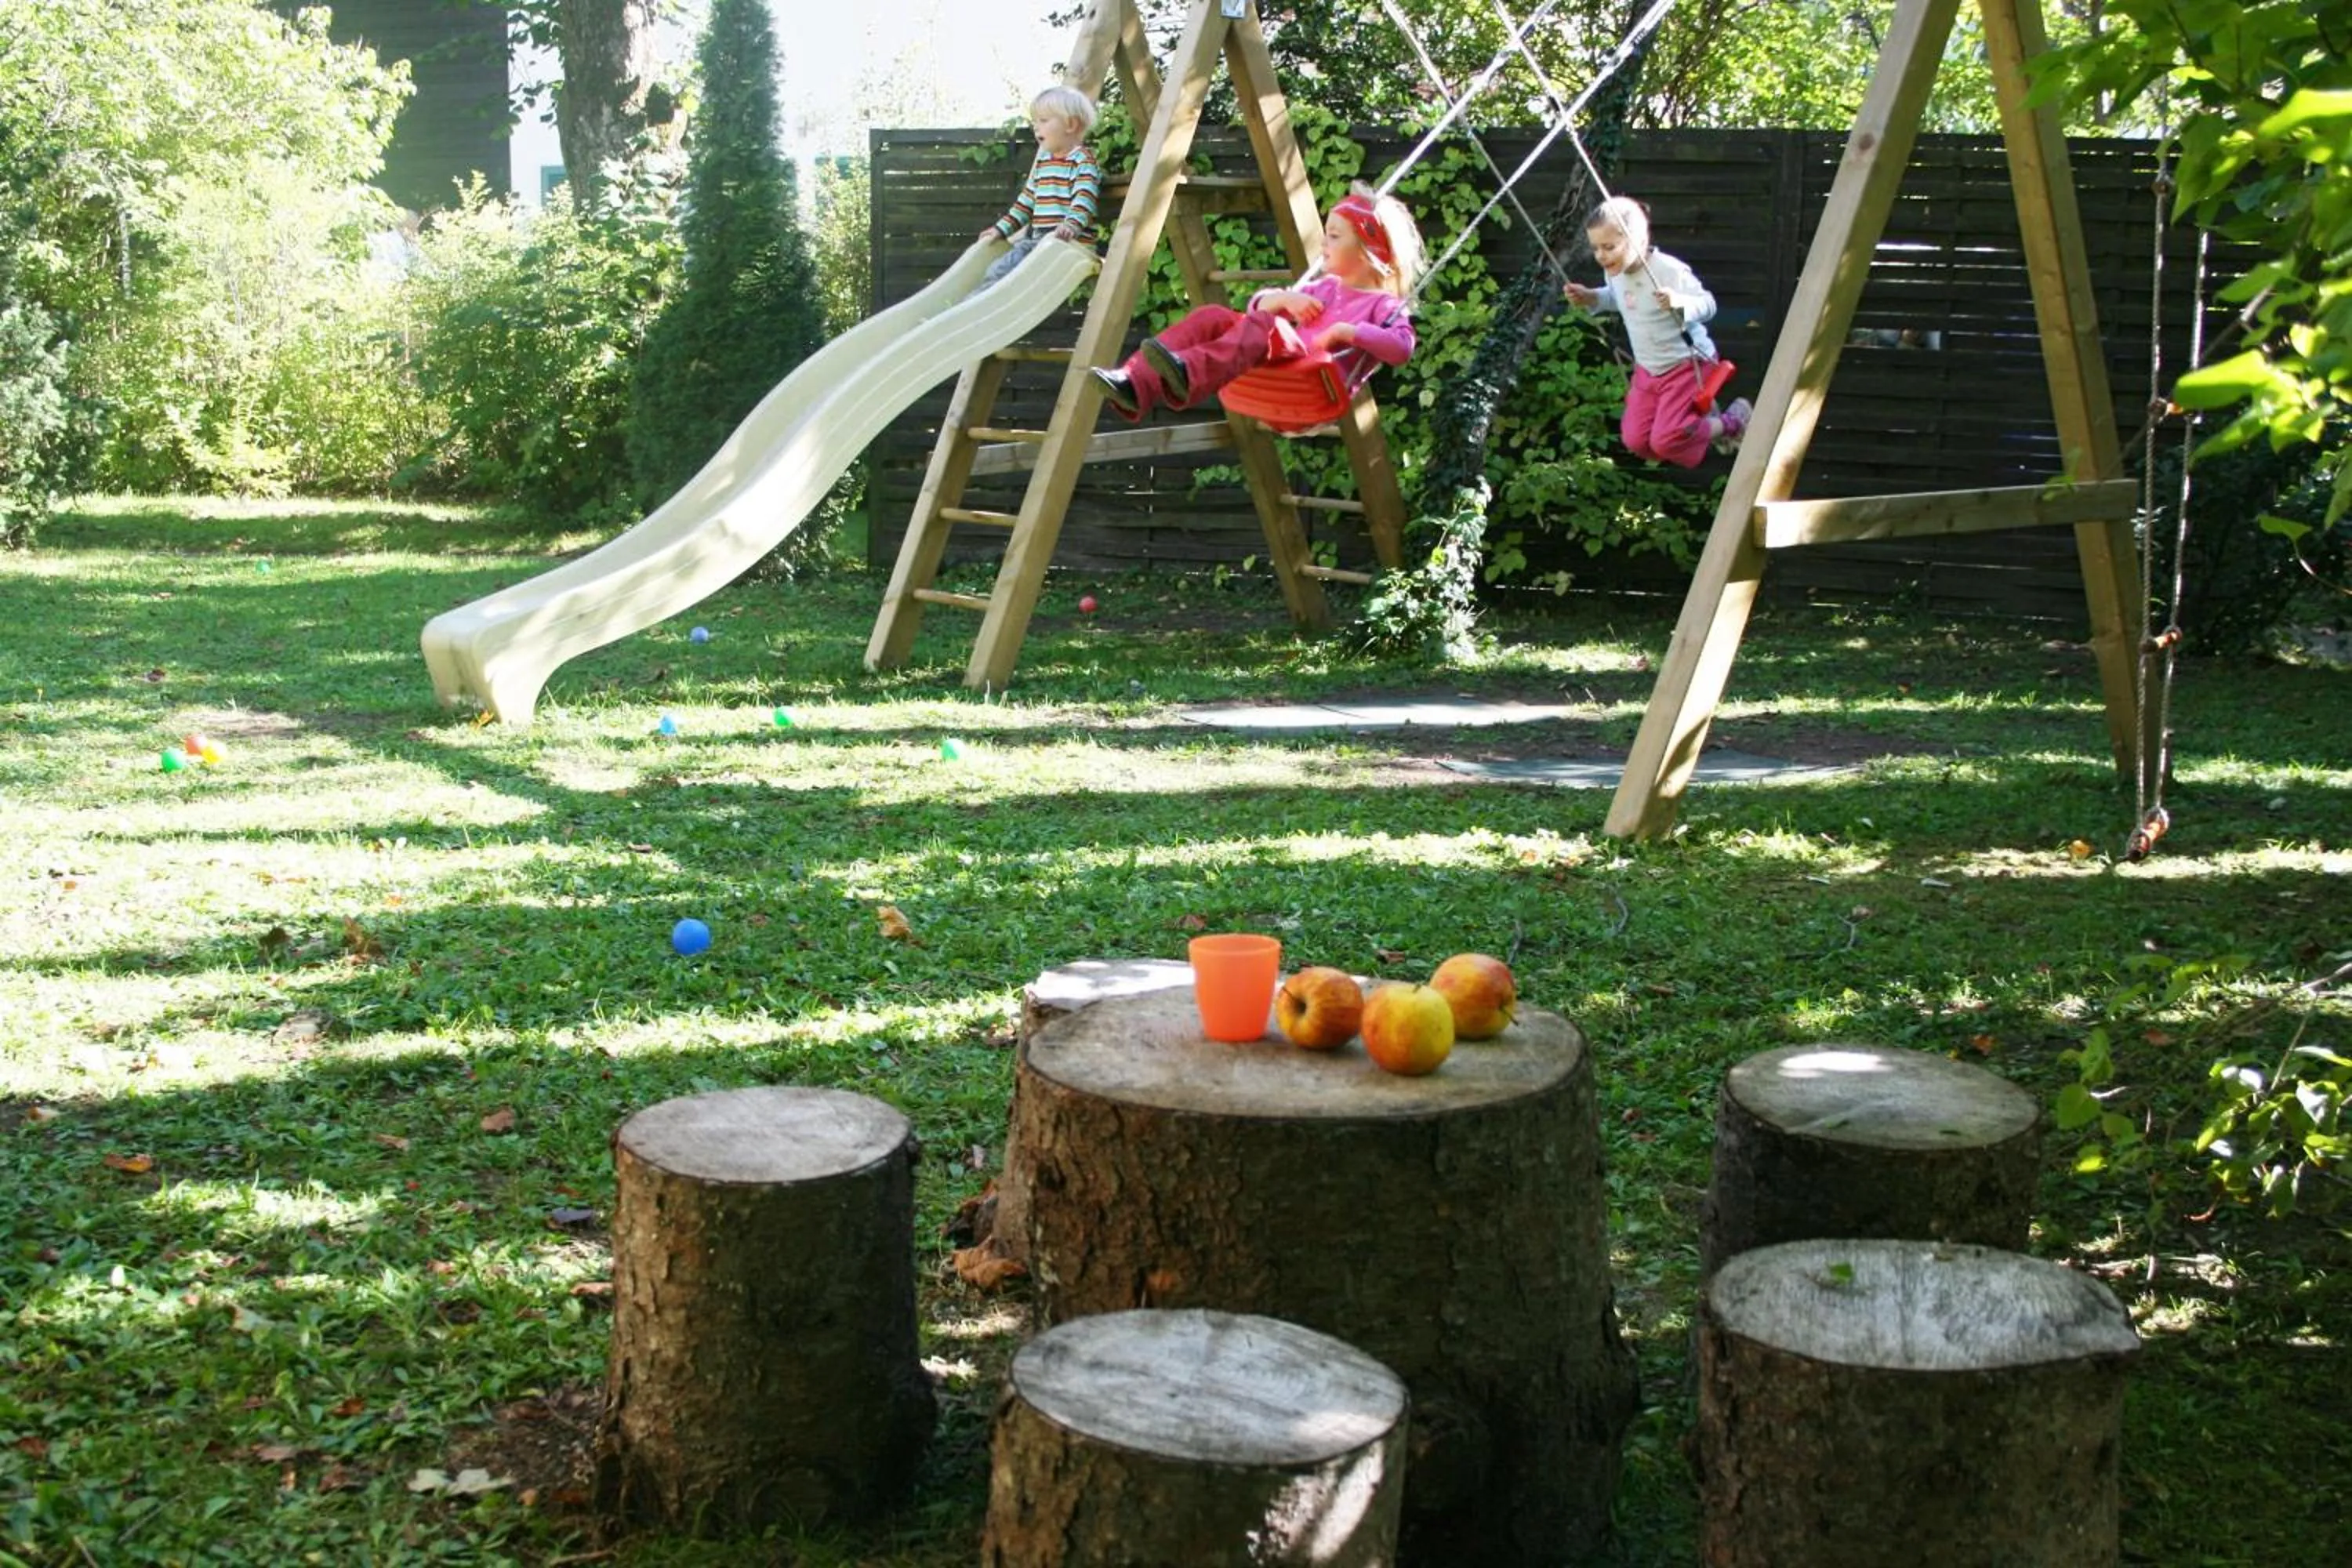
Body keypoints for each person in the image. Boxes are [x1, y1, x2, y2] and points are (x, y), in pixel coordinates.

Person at [1091, 184, 1424, 421]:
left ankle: (1189, 371)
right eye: (1325, 231)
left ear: (1371, 252)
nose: (1323, 241)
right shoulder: (1324, 287)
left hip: (1310, 379)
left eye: (1335, 236)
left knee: (1269, 326)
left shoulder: (1383, 304)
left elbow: (1401, 348)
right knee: (1214, 316)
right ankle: (1134, 383)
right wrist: (1281, 298)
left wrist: (1347, 332)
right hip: (1276, 364)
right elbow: (1255, 310)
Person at [1560, 194, 1751, 466]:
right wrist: (1592, 297)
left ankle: (1732, 423)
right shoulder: (1615, 273)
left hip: (1687, 364)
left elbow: (1708, 305)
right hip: (1649, 369)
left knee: (1666, 439)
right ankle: (1702, 427)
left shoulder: (1668, 271)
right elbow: (1622, 300)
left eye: (1609, 247)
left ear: (1638, 240)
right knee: (1637, 441)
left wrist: (1679, 303)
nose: (1601, 256)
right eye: (1596, 248)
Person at [975, 85, 1102, 291]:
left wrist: (1070, 226)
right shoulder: (1044, 161)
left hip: (1068, 244)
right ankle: (970, 306)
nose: (1036, 127)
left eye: (1043, 121)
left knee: (1009, 276)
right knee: (998, 271)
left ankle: (974, 306)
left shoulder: (1081, 160)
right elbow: (1026, 202)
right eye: (1035, 121)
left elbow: (1084, 198)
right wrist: (1001, 229)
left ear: (1070, 124)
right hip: (1040, 242)